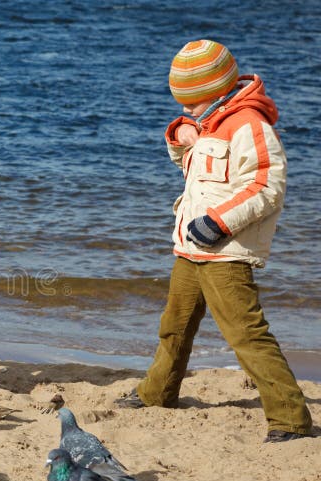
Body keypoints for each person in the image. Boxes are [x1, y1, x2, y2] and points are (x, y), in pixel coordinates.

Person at [115, 40, 313, 442]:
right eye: (183, 104)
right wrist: (181, 134)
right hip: (191, 249)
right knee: (174, 326)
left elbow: (267, 186)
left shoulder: (249, 125)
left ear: (219, 91)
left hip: (225, 251)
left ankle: (290, 420)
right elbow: (190, 166)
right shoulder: (210, 120)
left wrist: (218, 223)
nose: (186, 109)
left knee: (247, 334)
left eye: (192, 103)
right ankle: (157, 394)